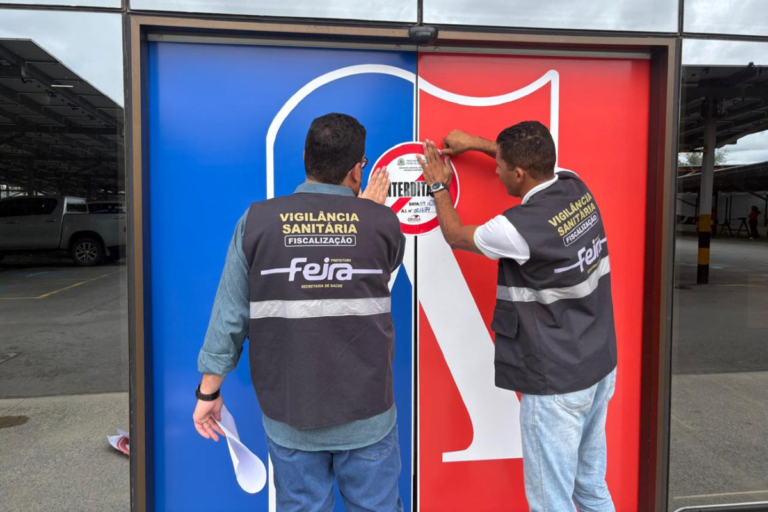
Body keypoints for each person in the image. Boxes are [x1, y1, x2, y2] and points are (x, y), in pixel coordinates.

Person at [192, 113, 406, 511]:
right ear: (357, 168)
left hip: (291, 417)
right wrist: (366, 213)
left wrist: (209, 392)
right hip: (368, 416)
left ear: (306, 155)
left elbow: (230, 315)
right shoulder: (383, 223)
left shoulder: (255, 222)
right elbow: (383, 269)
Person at [417, 121, 617, 512]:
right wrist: (475, 143)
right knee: (591, 486)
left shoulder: (516, 229)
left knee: (549, 502)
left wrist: (440, 184)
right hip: (598, 365)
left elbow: (456, 235)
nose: (496, 170)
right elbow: (525, 160)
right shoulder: (575, 185)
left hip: (558, 383)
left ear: (519, 173)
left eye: (501, 165)